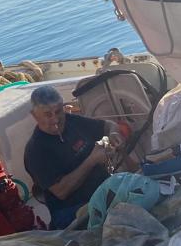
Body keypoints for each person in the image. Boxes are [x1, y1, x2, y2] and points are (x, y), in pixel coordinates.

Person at [23, 85, 127, 230]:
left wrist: (114, 134)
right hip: (71, 210)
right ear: (35, 115)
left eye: (58, 111)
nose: (55, 119)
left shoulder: (71, 121)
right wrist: (91, 160)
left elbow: (109, 125)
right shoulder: (35, 150)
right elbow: (61, 191)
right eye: (47, 114)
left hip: (103, 190)